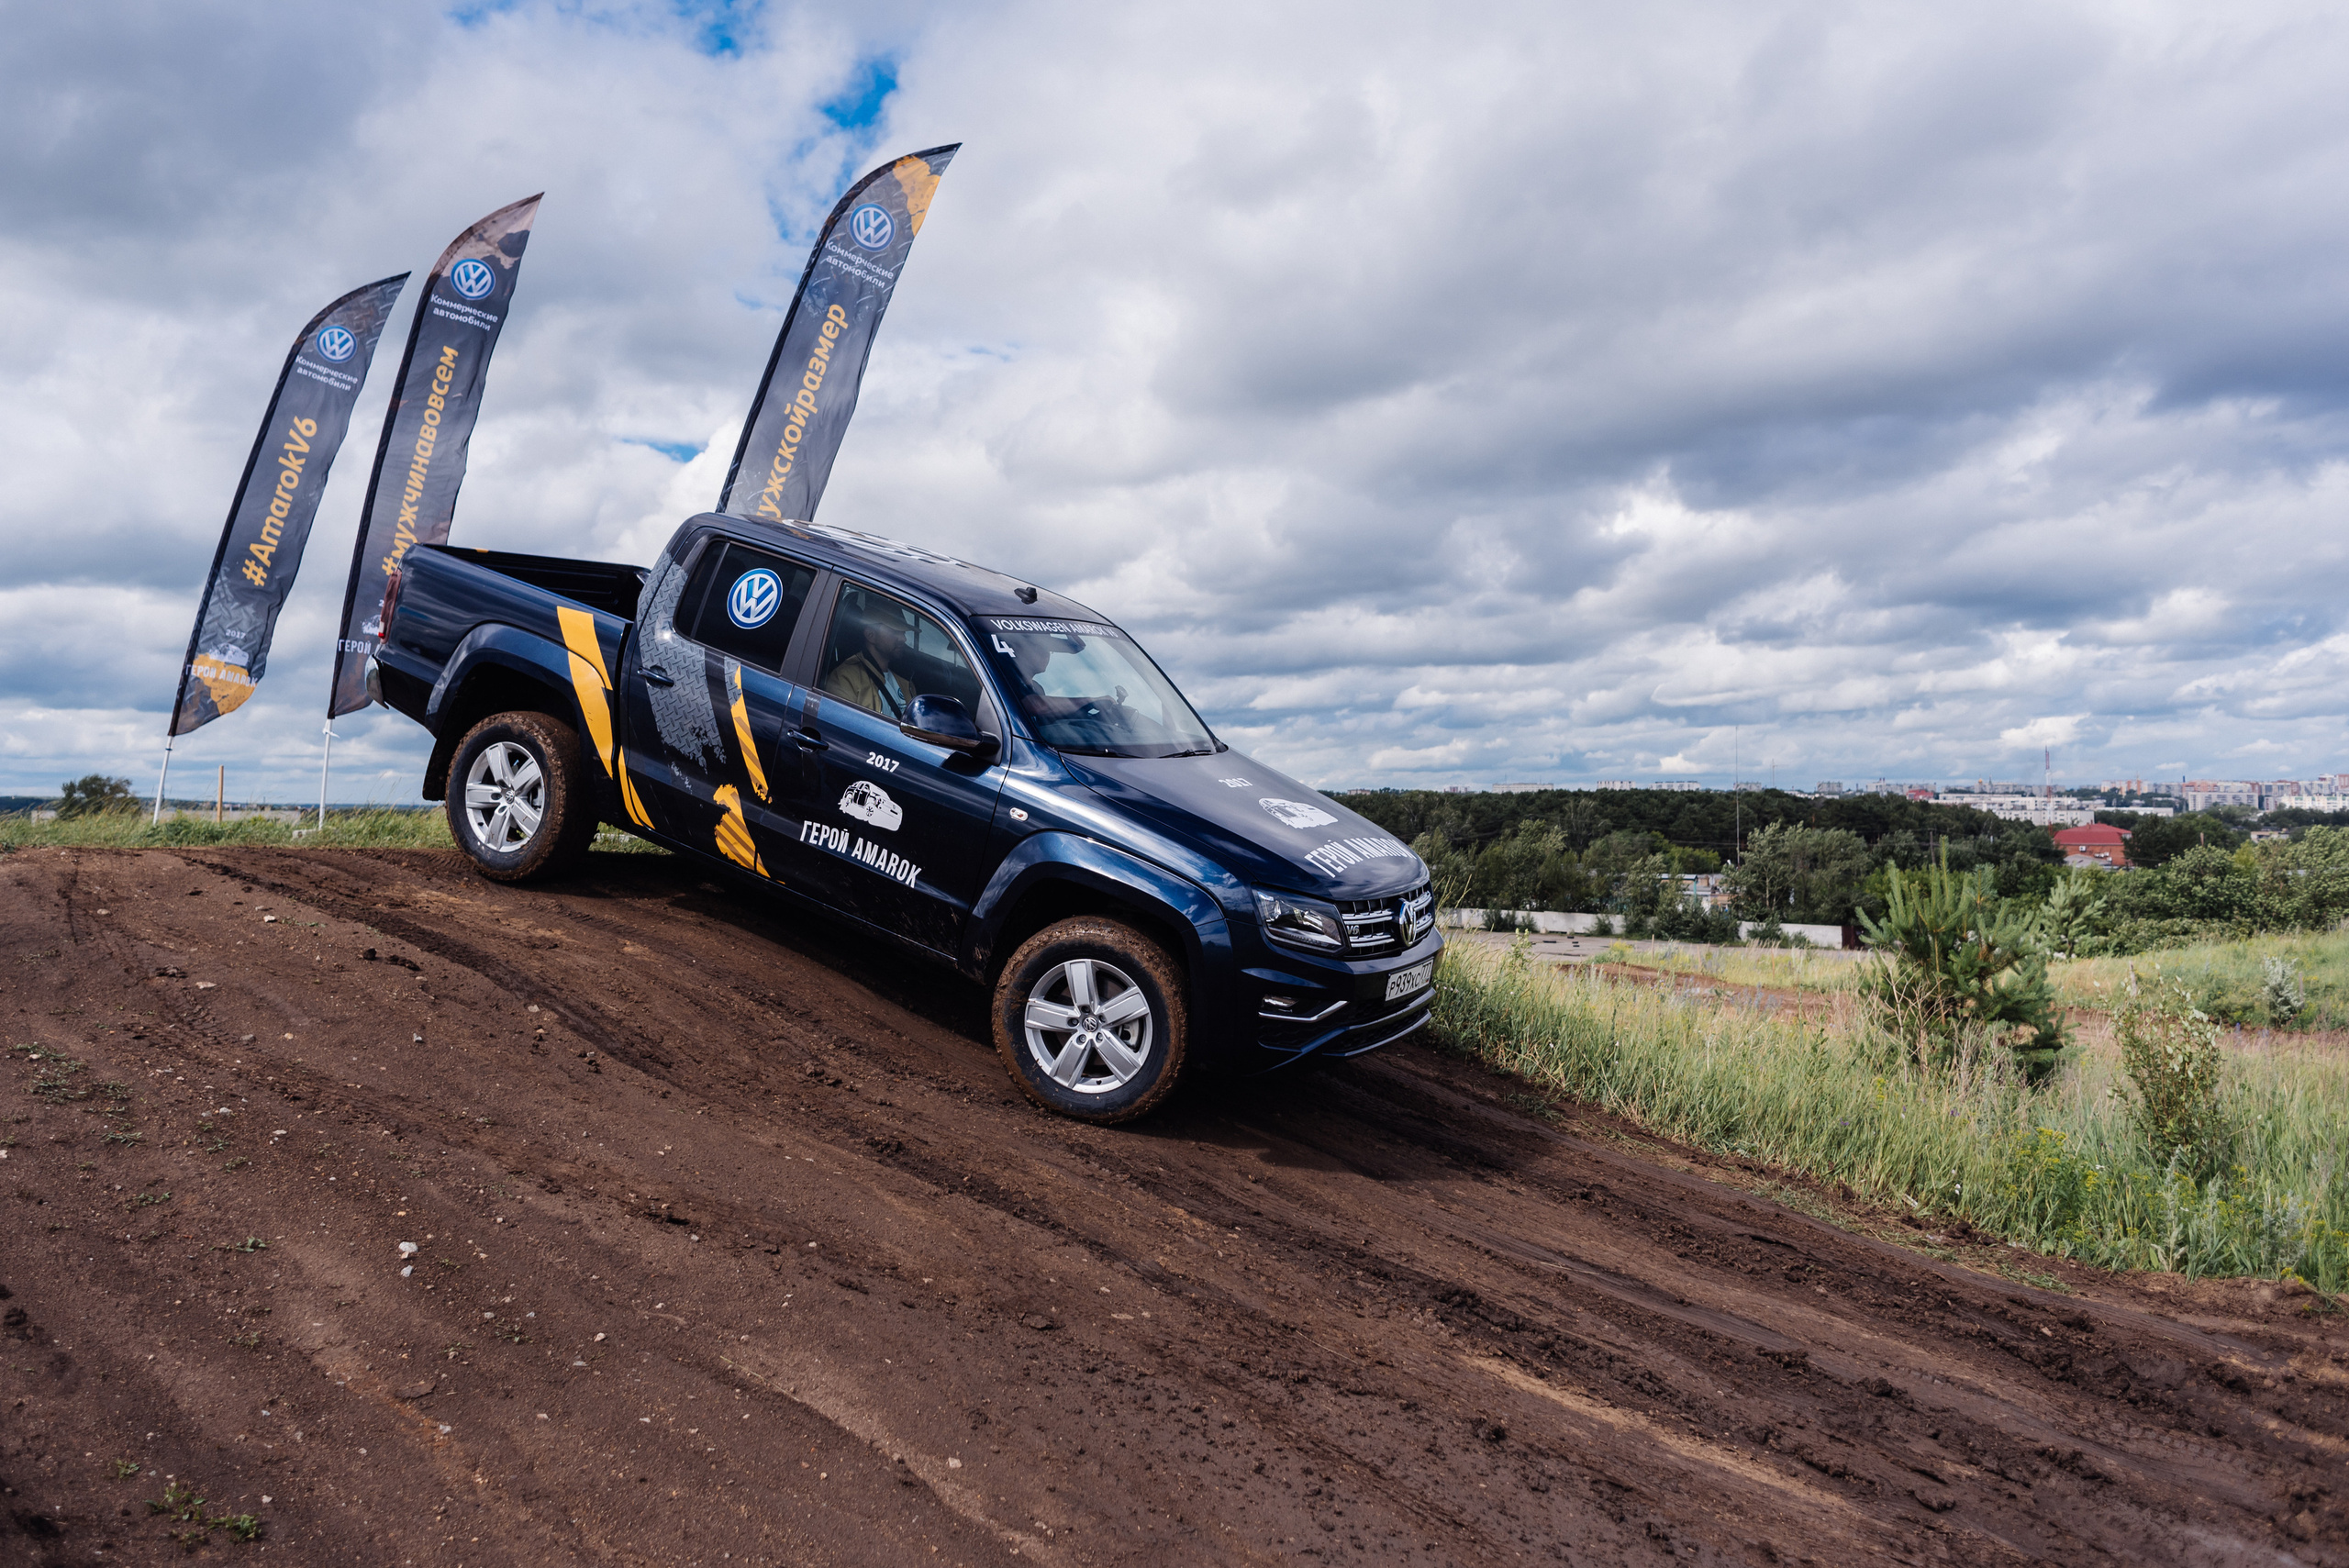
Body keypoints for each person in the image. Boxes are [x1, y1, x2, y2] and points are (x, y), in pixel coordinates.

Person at [823, 602, 916, 718]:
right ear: (870, 635)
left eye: (903, 632)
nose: (904, 638)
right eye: (895, 631)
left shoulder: (905, 678)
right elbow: (844, 728)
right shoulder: (845, 678)